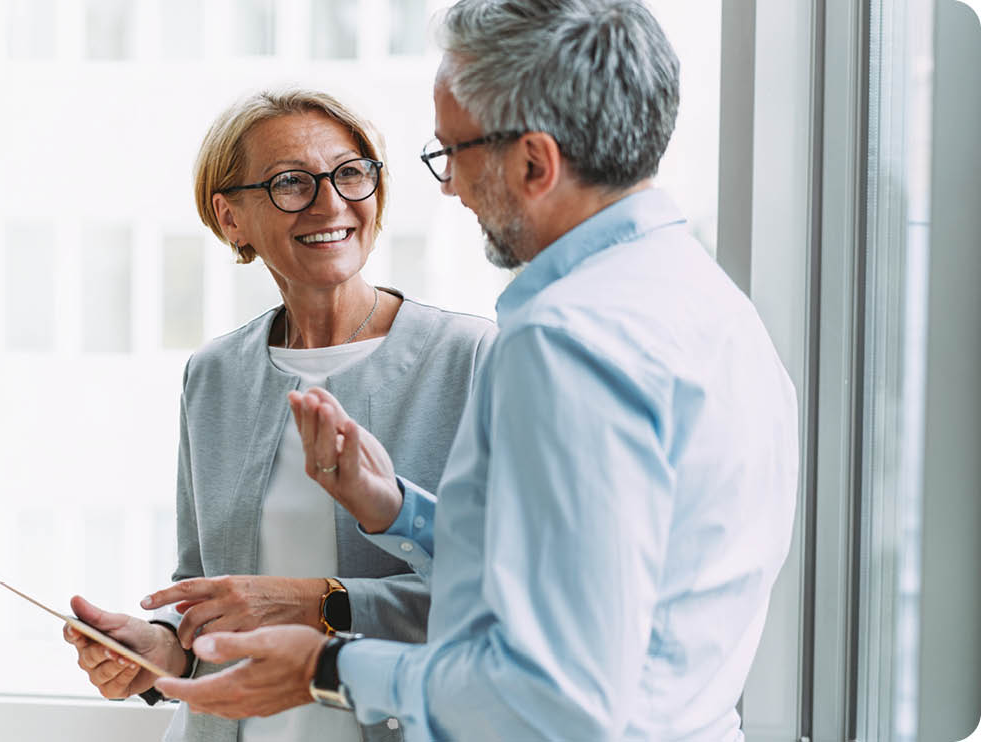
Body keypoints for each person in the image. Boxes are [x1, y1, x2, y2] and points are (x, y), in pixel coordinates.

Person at [154, 2, 800, 740]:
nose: (449, 185)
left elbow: (554, 696)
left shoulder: (566, 344)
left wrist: (324, 668)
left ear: (533, 162)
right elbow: (580, 570)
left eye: (453, 151)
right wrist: (397, 512)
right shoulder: (707, 304)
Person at [62, 89, 497, 742]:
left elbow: (500, 603)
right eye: (292, 182)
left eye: (350, 172)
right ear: (230, 217)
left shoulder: (473, 360)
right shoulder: (212, 375)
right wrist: (162, 650)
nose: (331, 203)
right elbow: (205, 588)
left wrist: (318, 602)